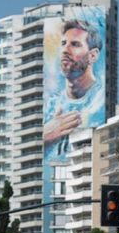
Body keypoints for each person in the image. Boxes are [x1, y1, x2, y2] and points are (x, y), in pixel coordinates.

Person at [43, 18, 105, 161]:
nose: (65, 50)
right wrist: (45, 136)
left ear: (93, 55)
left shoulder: (99, 102)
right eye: (63, 44)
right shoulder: (50, 104)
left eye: (75, 44)